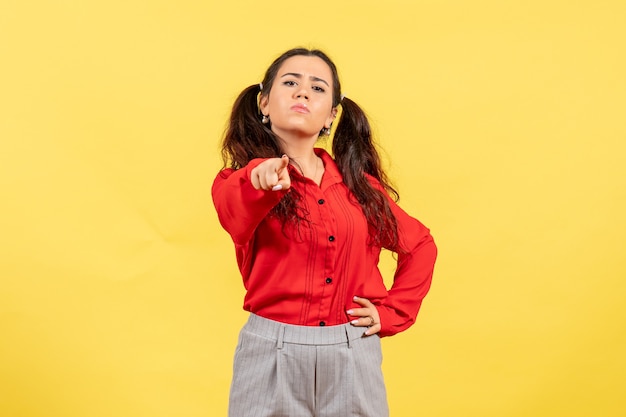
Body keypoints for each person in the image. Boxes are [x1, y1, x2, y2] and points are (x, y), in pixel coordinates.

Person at [212, 47, 437, 417]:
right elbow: (234, 212)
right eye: (290, 82)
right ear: (264, 103)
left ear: (332, 115)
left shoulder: (360, 189)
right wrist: (260, 178)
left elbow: (421, 245)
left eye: (318, 88)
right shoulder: (237, 180)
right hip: (271, 354)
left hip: (352, 354)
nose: (303, 92)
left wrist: (393, 311)